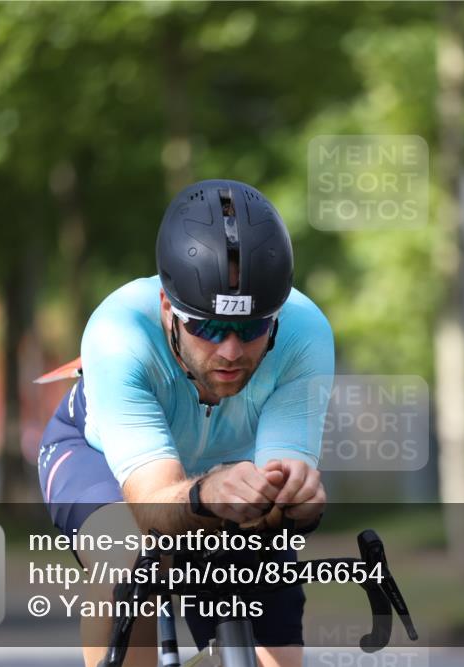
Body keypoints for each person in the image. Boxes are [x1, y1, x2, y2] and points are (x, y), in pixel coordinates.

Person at [36, 179, 334, 667]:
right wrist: (206, 494)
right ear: (166, 310)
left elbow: (278, 495)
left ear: (277, 318)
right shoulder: (118, 332)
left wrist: (294, 501)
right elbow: (154, 507)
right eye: (208, 327)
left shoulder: (306, 333)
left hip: (230, 475)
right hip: (101, 461)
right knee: (128, 558)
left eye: (253, 327)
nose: (231, 351)